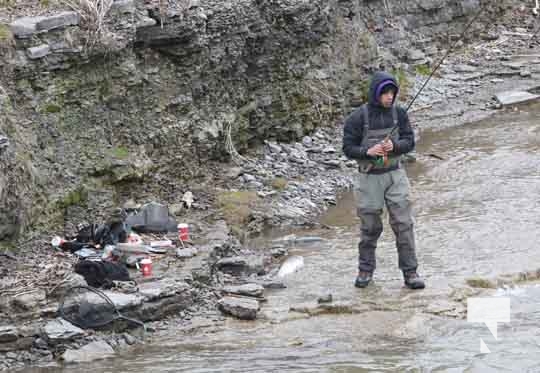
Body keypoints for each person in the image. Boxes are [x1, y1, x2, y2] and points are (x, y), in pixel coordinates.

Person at [342, 71, 425, 290]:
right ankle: (365, 271)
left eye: (392, 93)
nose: (389, 97)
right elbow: (348, 149)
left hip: (396, 175)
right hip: (368, 178)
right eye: (385, 93)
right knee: (370, 227)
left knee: (404, 224)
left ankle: (411, 273)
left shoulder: (399, 114)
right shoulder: (357, 117)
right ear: (375, 94)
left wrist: (395, 147)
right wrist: (368, 151)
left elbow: (409, 141)